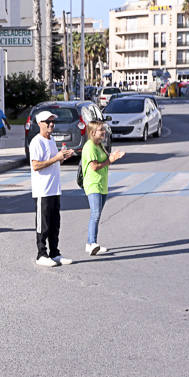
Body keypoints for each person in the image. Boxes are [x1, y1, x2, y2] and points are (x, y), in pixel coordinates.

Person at [30, 109, 75, 267]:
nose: (51, 124)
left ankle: (54, 253)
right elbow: (36, 165)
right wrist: (56, 158)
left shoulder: (50, 140)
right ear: (40, 124)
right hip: (43, 189)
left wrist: (63, 157)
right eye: (48, 122)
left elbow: (55, 161)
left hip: (54, 188)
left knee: (55, 223)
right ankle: (41, 254)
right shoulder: (36, 142)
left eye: (52, 122)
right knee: (44, 224)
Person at [80, 120, 124, 255]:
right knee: (95, 214)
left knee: (97, 215)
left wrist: (112, 157)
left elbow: (104, 161)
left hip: (102, 184)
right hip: (93, 184)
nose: (104, 132)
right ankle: (91, 243)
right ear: (93, 132)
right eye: (101, 130)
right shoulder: (90, 147)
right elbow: (94, 166)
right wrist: (110, 160)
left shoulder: (99, 145)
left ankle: (92, 242)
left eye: (103, 129)